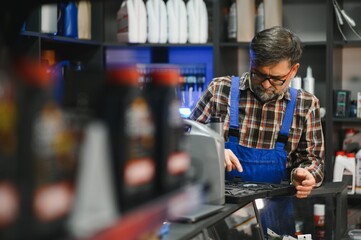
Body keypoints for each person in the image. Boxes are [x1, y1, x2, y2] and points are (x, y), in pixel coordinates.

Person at [189, 26, 325, 236]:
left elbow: (314, 160)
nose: (266, 84)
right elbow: (185, 140)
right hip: (219, 212)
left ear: (294, 70)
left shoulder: (306, 105)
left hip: (275, 211)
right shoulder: (219, 90)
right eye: (259, 74)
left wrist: (307, 174)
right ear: (251, 61)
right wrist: (212, 150)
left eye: (276, 79)